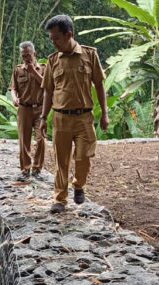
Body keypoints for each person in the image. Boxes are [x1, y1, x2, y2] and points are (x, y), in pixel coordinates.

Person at [39, 15, 108, 214]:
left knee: (84, 158)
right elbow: (48, 91)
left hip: (84, 118)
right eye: (51, 38)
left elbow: (100, 85)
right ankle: (60, 199)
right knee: (61, 161)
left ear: (69, 34)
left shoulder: (90, 55)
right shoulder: (53, 61)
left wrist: (105, 114)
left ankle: (79, 184)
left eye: (56, 38)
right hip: (61, 118)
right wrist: (43, 118)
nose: (53, 42)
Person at [10, 41, 46, 181]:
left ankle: (37, 169)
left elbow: (48, 85)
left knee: (41, 139)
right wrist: (14, 98)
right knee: (24, 141)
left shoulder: (43, 68)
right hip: (24, 109)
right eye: (23, 56)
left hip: (40, 109)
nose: (26, 58)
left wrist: (33, 72)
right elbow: (13, 88)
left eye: (28, 55)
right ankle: (25, 169)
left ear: (34, 54)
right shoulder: (18, 70)